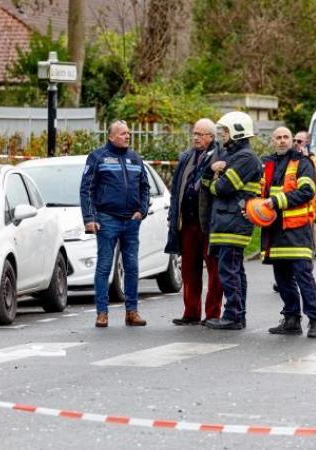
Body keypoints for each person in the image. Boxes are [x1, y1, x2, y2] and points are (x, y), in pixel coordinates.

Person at [80, 120, 150, 328]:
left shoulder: (135, 158)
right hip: (107, 219)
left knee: (132, 267)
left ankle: (132, 311)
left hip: (131, 221)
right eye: (122, 134)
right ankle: (102, 313)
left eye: (128, 133)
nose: (127, 136)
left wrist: (142, 210)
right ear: (110, 137)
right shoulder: (98, 157)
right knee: (104, 267)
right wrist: (89, 218)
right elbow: (86, 190)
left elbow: (144, 187)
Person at [262, 126, 316, 338]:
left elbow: (307, 191)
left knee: (303, 276)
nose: (282, 141)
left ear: (292, 140)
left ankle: (315, 320)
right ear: (273, 141)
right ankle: (291, 319)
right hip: (275, 230)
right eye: (278, 137)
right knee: (282, 279)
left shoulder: (302, 162)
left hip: (297, 230)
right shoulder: (268, 163)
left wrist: (277, 201)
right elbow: (260, 191)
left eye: (285, 137)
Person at [202, 111, 262, 330]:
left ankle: (233, 315)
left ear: (237, 131)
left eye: (225, 131)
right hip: (228, 222)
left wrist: (215, 179)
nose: (222, 135)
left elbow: (222, 188)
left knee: (229, 271)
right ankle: (238, 314)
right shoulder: (234, 155)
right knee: (234, 270)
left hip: (233, 224)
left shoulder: (244, 158)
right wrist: (214, 174)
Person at [165, 118, 225, 326]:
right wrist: (173, 217)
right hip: (188, 222)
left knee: (215, 271)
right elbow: (177, 190)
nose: (196, 138)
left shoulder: (221, 156)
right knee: (189, 270)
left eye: (200, 134)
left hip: (210, 223)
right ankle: (191, 312)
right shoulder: (187, 157)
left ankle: (212, 314)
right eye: (194, 134)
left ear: (211, 136)